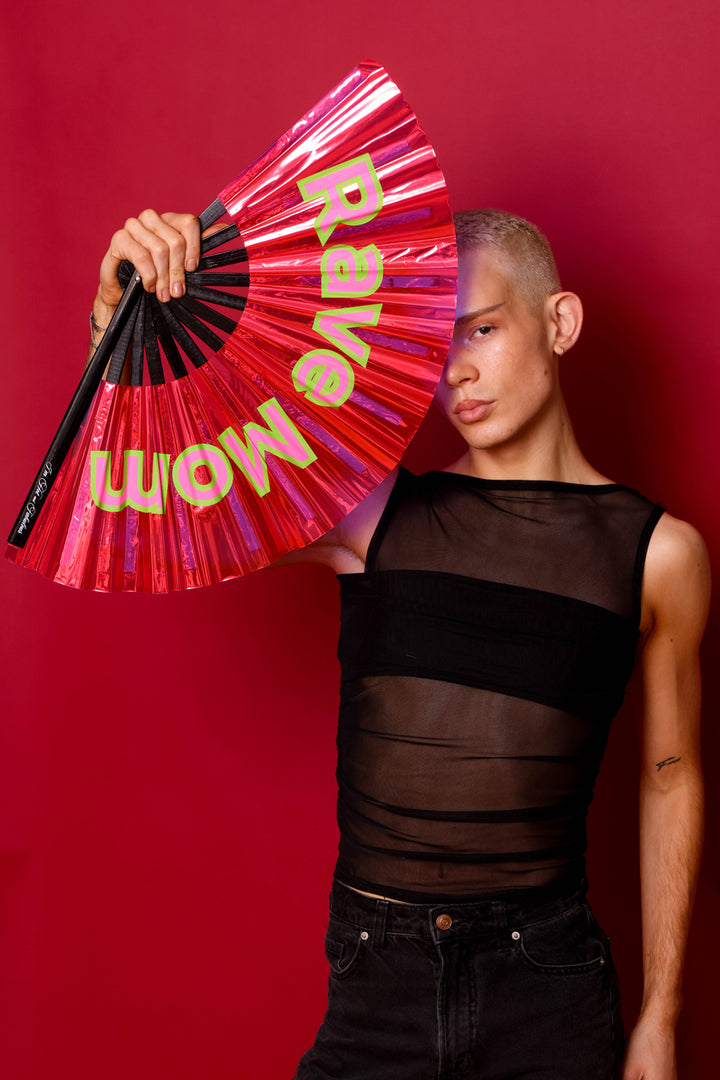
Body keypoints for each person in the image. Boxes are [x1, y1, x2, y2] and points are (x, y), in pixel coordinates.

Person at [91, 207, 709, 1079]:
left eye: (482, 329)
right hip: (378, 978)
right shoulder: (373, 513)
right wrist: (116, 321)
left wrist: (661, 1015)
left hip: (547, 986)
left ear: (560, 323)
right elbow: (139, 502)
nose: (456, 370)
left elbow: (670, 776)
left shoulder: (660, 556)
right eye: (434, 345)